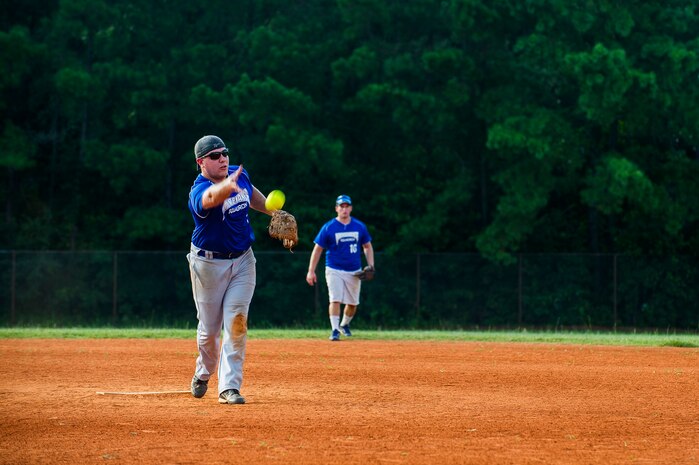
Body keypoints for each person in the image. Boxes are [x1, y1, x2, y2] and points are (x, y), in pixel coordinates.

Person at [186, 134, 274, 405]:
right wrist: (227, 186)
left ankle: (229, 388)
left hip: (244, 261)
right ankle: (203, 372)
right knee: (209, 331)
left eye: (224, 153)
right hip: (209, 266)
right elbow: (211, 198)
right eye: (214, 155)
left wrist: (273, 212)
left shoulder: (237, 174)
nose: (222, 158)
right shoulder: (198, 191)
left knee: (237, 324)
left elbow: (252, 195)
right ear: (201, 162)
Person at [306, 194, 375, 341]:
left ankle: (344, 325)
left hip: (354, 270)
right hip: (333, 268)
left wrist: (370, 265)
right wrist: (311, 271)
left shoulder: (359, 226)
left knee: (352, 303)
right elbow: (317, 249)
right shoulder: (329, 227)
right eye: (341, 206)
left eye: (347, 206)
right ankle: (335, 330)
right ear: (336, 208)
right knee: (335, 299)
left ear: (351, 208)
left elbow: (367, 246)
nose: (344, 209)